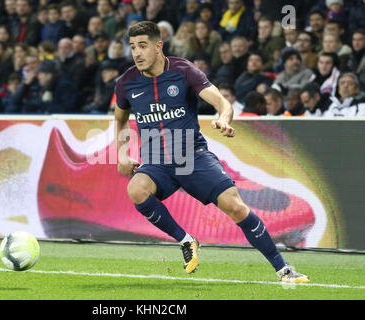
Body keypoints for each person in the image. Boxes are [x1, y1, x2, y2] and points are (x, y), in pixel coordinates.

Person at [114, 21, 309, 283]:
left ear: (158, 46)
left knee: (236, 207)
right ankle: (186, 241)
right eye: (133, 47)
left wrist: (225, 119)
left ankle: (284, 270)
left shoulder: (183, 71)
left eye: (143, 46)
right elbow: (120, 120)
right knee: (135, 189)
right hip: (157, 163)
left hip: (191, 157)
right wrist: (122, 154)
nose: (137, 53)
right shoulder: (127, 82)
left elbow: (222, 103)